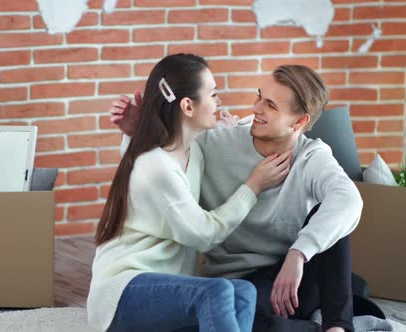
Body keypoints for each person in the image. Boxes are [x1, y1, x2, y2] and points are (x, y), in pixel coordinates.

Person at [110, 64, 364, 332]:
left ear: (300, 121)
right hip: (234, 283)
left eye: (271, 105)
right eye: (259, 97)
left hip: (289, 277)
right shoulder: (215, 142)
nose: (256, 108)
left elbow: (349, 200)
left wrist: (298, 254)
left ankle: (337, 327)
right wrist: (134, 134)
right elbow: (159, 163)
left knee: (331, 213)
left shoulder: (311, 156)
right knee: (225, 316)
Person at [87, 53, 293, 332]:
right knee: (216, 291)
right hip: (123, 292)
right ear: (187, 106)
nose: (219, 102)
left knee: (244, 292)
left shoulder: (194, 151)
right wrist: (253, 186)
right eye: (213, 94)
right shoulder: (155, 166)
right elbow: (204, 235)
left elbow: (242, 125)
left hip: (167, 291)